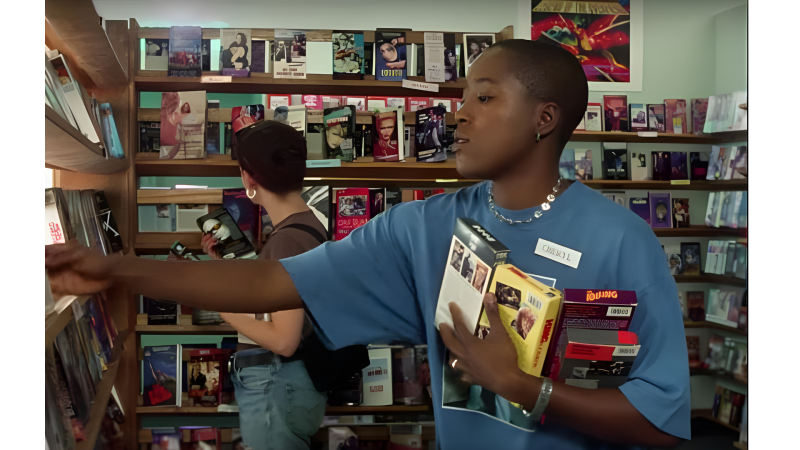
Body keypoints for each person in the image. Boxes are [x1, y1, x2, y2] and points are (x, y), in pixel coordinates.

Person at [47, 40, 689, 449]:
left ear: (544, 118)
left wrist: (521, 386)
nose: (459, 113)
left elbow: (660, 425)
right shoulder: (423, 227)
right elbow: (271, 283)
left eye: (485, 97)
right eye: (462, 96)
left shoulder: (620, 243)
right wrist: (117, 269)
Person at [191, 120, 331, 449]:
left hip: (276, 386)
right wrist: (223, 265)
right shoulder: (308, 226)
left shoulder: (286, 242)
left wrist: (224, 309)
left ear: (249, 178)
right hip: (287, 387)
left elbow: (285, 340)